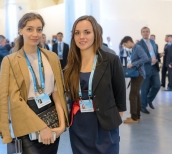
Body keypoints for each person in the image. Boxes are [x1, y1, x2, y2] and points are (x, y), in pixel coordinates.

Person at [0, 13, 69, 154]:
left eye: (39, 30)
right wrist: (40, 127)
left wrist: (62, 125)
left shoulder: (51, 57)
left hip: (52, 118)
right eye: (29, 29)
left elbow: (57, 93)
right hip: (26, 120)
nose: (35, 34)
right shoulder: (10, 60)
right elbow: (8, 100)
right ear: (20, 31)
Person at [64, 15, 126, 154]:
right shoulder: (71, 64)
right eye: (77, 33)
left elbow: (120, 98)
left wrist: (112, 122)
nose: (82, 37)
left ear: (95, 34)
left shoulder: (110, 60)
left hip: (104, 125)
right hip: (79, 127)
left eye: (87, 32)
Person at [120, 36, 149, 123]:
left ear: (129, 42)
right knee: (136, 95)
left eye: (125, 44)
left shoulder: (138, 48)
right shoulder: (134, 49)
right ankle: (137, 116)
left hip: (139, 75)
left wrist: (133, 64)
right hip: (136, 75)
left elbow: (145, 58)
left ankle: (134, 118)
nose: (125, 46)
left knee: (132, 95)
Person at [137, 27, 164, 113]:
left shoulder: (152, 42)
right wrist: (149, 60)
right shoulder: (139, 44)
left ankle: (148, 100)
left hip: (154, 68)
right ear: (141, 33)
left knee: (157, 85)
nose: (145, 33)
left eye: (147, 31)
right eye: (143, 32)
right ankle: (143, 107)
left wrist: (159, 55)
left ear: (149, 33)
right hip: (145, 69)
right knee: (144, 89)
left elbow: (154, 53)